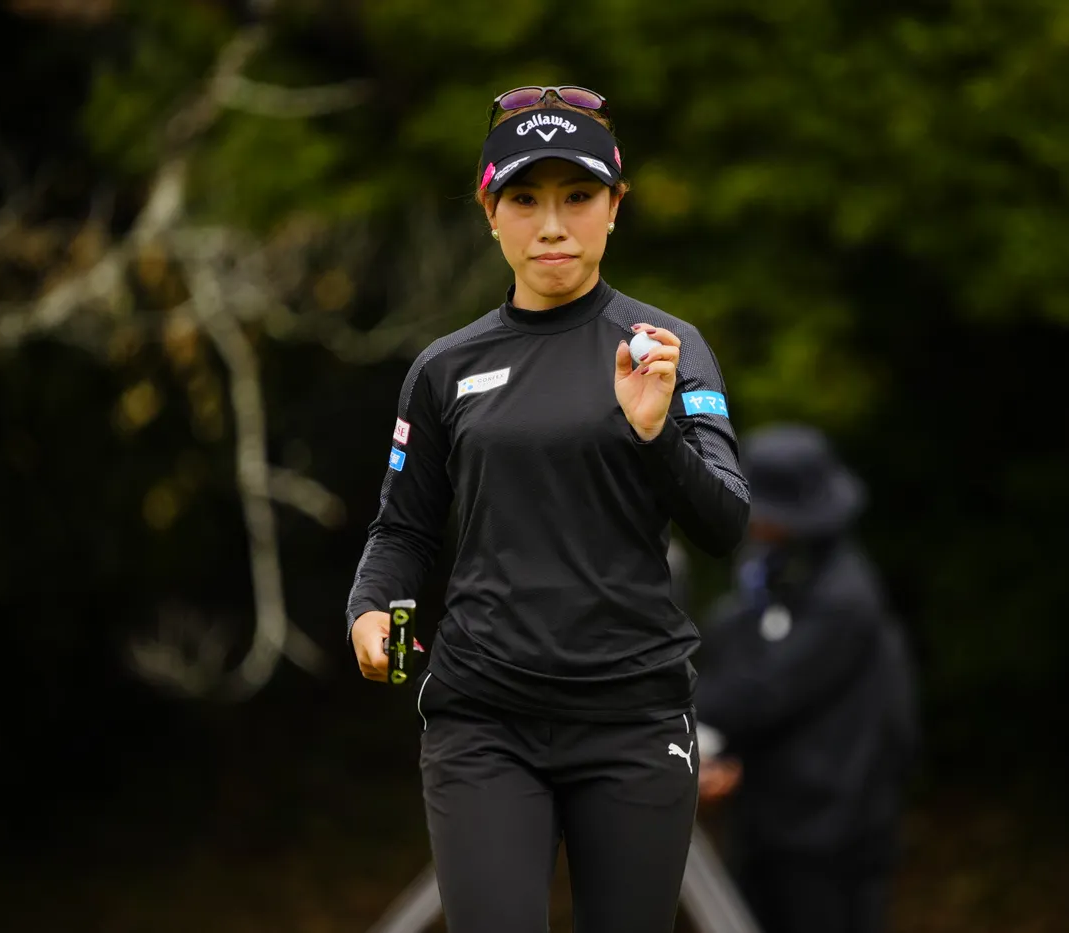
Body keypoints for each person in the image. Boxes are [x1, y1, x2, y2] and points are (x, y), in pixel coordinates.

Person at [344, 85, 750, 933]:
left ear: (615, 206)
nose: (553, 225)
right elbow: (402, 529)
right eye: (526, 199)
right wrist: (370, 608)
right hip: (483, 721)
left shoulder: (664, 350)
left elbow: (725, 523)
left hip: (635, 720)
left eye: (578, 196)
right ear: (490, 212)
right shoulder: (445, 369)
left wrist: (656, 434)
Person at [692, 424, 920, 933]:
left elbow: (764, 691)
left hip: (831, 832)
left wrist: (674, 717)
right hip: (768, 819)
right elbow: (734, 654)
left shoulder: (844, 598)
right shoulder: (768, 571)